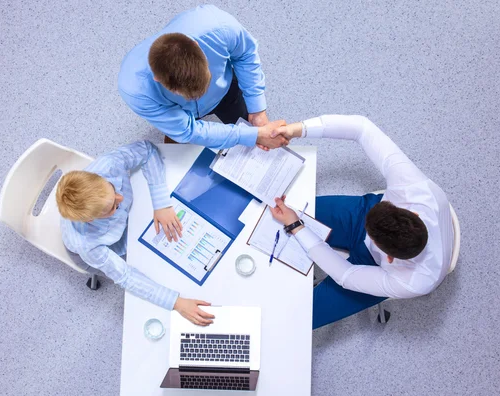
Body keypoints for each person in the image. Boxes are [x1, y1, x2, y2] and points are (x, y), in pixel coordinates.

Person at [269, 115, 453, 328]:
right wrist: (298, 129)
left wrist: (297, 226)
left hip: (372, 266)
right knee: (279, 209)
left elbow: (346, 275)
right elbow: (362, 128)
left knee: (299, 320)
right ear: (412, 212)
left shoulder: (413, 281)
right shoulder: (416, 190)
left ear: (390, 257)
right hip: (362, 213)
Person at [56, 140, 214, 326]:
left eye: (112, 189)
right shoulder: (87, 245)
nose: (120, 198)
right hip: (107, 248)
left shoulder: (108, 165)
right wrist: (176, 303)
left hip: (125, 224)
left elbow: (147, 150)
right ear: (92, 219)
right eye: (113, 207)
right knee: (155, 266)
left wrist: (161, 203)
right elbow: (126, 276)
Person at [118, 5, 288, 151]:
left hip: (226, 91)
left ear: (197, 46)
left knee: (250, 125)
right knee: (176, 148)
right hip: (179, 110)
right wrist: (253, 135)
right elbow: (189, 130)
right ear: (157, 78)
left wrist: (257, 111)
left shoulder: (220, 27)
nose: (200, 97)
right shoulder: (135, 90)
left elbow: (245, 55)